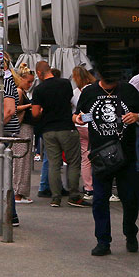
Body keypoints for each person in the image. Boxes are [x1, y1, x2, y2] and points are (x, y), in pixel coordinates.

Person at [74, 63, 139, 256]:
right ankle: (103, 241)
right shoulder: (90, 92)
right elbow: (79, 115)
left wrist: (136, 116)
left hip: (126, 155)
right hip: (101, 156)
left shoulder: (128, 90)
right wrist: (77, 119)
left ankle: (130, 233)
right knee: (100, 200)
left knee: (130, 200)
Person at [31, 60, 86, 208]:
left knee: (54, 164)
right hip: (67, 127)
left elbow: (35, 113)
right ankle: (73, 195)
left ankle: (55, 197)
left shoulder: (39, 89)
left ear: (39, 73)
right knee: (73, 162)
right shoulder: (65, 84)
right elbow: (68, 102)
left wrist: (43, 111)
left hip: (48, 130)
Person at [11, 63, 36, 204]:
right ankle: (18, 192)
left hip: (23, 127)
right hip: (22, 128)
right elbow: (14, 108)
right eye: (28, 81)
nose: (30, 84)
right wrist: (30, 105)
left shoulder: (21, 91)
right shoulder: (19, 92)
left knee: (23, 161)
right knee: (22, 161)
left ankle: (20, 191)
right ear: (21, 79)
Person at [72, 64, 97, 201]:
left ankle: (88, 187)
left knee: (85, 157)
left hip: (80, 125)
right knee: (99, 154)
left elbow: (76, 111)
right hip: (92, 125)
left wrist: (78, 118)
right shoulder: (93, 89)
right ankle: (99, 185)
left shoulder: (76, 91)